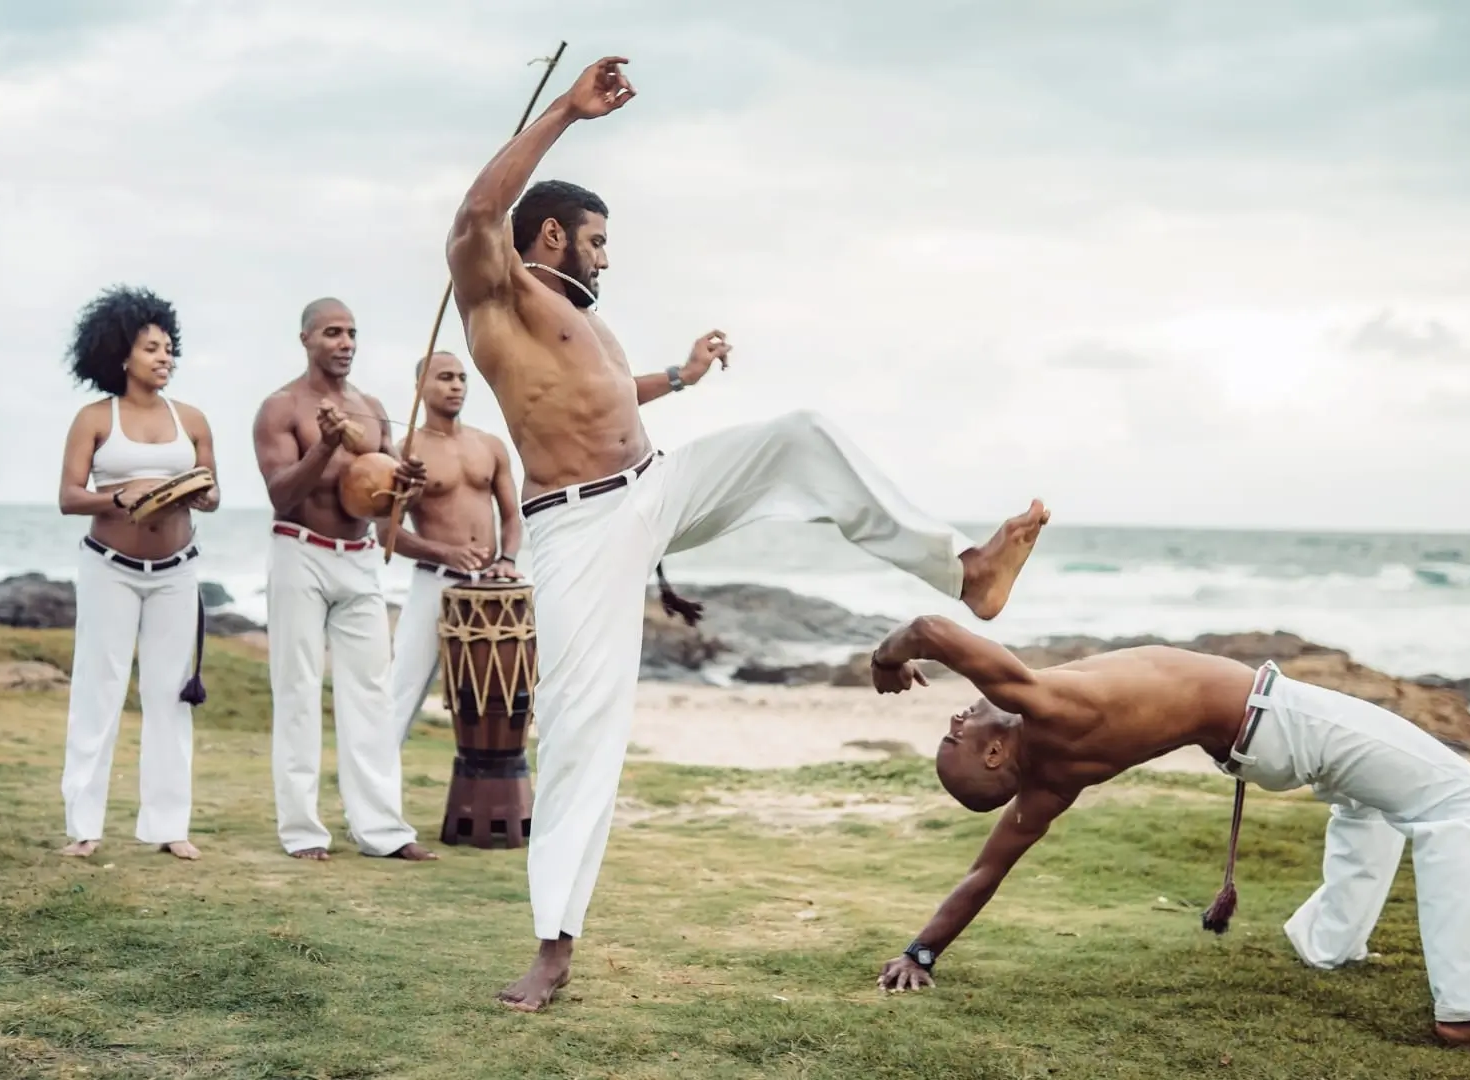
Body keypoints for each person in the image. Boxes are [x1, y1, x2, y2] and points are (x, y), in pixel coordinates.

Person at [443, 55, 1051, 1011]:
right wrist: (568, 109)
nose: (607, 257)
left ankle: (963, 570)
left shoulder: (578, 318)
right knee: (580, 732)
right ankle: (553, 946)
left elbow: (601, 398)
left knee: (796, 438)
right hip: (577, 531)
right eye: (596, 240)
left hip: (654, 485)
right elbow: (478, 214)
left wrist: (678, 380)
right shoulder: (497, 289)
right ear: (552, 232)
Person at [862, 613, 1470, 1049]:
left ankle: (1326, 943)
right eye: (955, 735)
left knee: (1369, 804)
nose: (955, 719)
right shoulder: (1044, 709)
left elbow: (984, 873)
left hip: (1263, 741)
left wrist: (920, 954)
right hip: (1279, 719)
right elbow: (929, 630)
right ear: (994, 754)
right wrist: (888, 658)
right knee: (1466, 801)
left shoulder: (1050, 783)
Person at [252, 297, 435, 863]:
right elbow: (281, 495)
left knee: (372, 695)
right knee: (299, 690)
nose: (345, 342)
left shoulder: (374, 408)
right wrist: (326, 444)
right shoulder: (280, 408)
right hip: (299, 552)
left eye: (352, 332)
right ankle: (303, 831)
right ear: (305, 338)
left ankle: (383, 830)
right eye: (333, 332)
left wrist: (408, 481)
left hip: (359, 554)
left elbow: (384, 495)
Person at [54, 285, 219, 862]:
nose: (164, 358)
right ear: (123, 354)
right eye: (152, 348)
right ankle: (84, 826)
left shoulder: (192, 419)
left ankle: (169, 825)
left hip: (176, 570)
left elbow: (213, 493)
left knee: (169, 695)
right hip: (110, 569)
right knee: (98, 689)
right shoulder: (96, 418)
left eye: (169, 349)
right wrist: (123, 496)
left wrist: (196, 495)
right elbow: (70, 497)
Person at [381, 351, 525, 740]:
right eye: (445, 377)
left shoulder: (490, 445)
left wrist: (508, 559)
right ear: (420, 387)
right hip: (435, 583)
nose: (457, 385)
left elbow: (513, 515)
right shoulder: (403, 451)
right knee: (400, 695)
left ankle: (493, 796)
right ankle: (365, 801)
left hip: (491, 585)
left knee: (505, 698)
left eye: (461, 378)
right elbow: (386, 534)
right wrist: (445, 552)